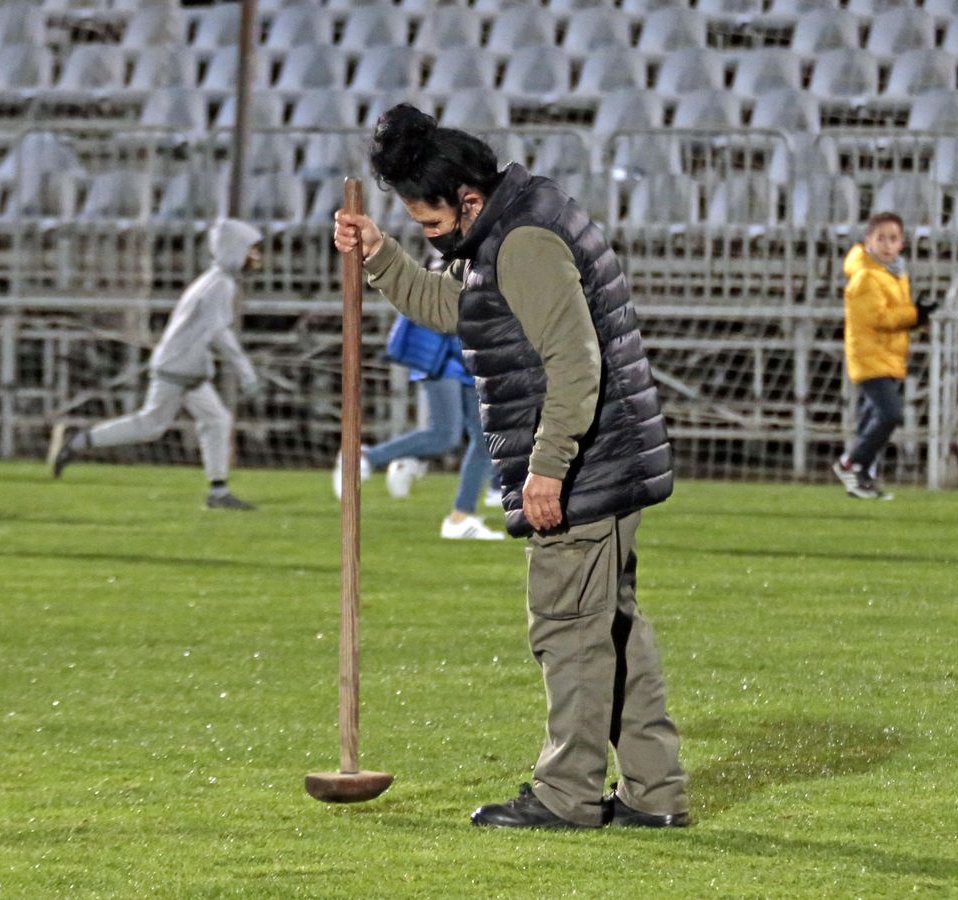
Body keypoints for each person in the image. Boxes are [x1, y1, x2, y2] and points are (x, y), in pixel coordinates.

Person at [334, 104, 686, 829]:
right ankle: (653, 795)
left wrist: (549, 467)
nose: (431, 238)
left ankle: (566, 795)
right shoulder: (514, 221)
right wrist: (380, 255)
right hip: (609, 458)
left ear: (467, 199)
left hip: (586, 465)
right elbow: (460, 307)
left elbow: (575, 362)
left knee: (570, 630)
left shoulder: (523, 242)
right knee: (610, 629)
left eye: (432, 224)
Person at [48, 218, 263, 511]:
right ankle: (79, 441)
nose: (256, 256)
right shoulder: (219, 285)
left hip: (188, 367)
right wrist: (246, 371)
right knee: (151, 426)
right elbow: (219, 333)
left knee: (216, 420)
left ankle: (219, 492)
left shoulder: (214, 281)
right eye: (251, 249)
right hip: (179, 367)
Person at [339, 315, 504, 540]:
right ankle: (366, 458)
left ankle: (461, 517)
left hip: (465, 353)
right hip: (439, 353)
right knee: (445, 434)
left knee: (486, 438)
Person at [832, 212, 935, 500]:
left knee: (871, 419)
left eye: (893, 239)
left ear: (902, 243)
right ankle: (851, 464)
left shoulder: (895, 274)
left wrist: (916, 319)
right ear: (868, 241)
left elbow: (892, 315)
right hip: (870, 358)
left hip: (887, 357)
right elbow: (879, 318)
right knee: (891, 413)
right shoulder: (866, 276)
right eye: (881, 238)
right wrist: (915, 315)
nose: (887, 245)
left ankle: (860, 479)